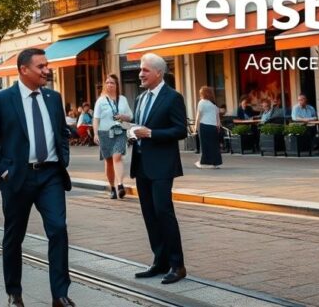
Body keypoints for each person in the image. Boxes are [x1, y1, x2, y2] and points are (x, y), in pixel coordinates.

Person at [0, 48, 74, 307]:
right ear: (24, 70)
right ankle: (14, 293)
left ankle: (59, 294)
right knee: (14, 236)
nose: (47, 70)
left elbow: (61, 131)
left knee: (58, 231)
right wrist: (3, 169)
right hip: (18, 178)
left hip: (51, 176)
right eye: (41, 66)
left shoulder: (53, 98)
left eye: (47, 65)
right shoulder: (2, 99)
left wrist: (62, 157)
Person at [129, 53, 187, 285]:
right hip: (141, 164)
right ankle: (159, 261)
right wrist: (132, 133)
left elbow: (181, 130)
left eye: (144, 70)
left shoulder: (173, 97)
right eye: (140, 70)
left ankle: (177, 265)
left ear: (158, 73)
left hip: (162, 165)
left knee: (164, 212)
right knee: (149, 215)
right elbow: (138, 124)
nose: (140, 74)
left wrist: (151, 133)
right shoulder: (140, 98)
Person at [92, 74, 133, 199]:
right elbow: (96, 119)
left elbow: (130, 116)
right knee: (109, 161)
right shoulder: (101, 100)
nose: (110, 84)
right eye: (107, 82)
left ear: (116, 85)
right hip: (104, 133)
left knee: (117, 156)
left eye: (112, 83)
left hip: (119, 132)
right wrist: (95, 134)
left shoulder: (123, 99)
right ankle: (112, 187)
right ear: (105, 85)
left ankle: (120, 184)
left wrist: (122, 116)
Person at [193, 86, 222, 169]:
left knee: (204, 145)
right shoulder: (214, 103)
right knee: (214, 145)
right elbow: (217, 117)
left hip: (204, 126)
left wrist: (195, 127)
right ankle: (215, 163)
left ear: (203, 94)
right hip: (214, 127)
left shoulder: (202, 102)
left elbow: (198, 115)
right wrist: (218, 126)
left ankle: (202, 163)